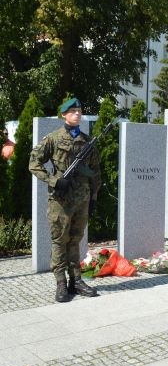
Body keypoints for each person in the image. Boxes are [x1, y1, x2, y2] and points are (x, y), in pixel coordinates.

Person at [29, 98, 101, 302]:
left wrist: (93, 197)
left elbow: (95, 172)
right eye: (73, 111)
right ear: (64, 115)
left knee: (76, 239)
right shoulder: (53, 139)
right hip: (60, 200)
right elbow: (34, 164)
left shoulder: (87, 141)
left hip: (82, 199)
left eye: (79, 111)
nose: (77, 114)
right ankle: (61, 282)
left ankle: (76, 280)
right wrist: (53, 180)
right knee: (60, 240)